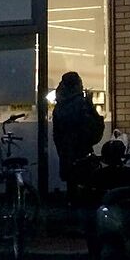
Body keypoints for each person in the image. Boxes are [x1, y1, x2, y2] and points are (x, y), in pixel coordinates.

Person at [52, 71, 105, 203]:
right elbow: (92, 128)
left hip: (66, 152)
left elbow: (56, 134)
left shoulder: (59, 106)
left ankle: (71, 208)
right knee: (86, 189)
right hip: (82, 153)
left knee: (72, 185)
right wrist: (91, 105)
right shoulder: (82, 104)